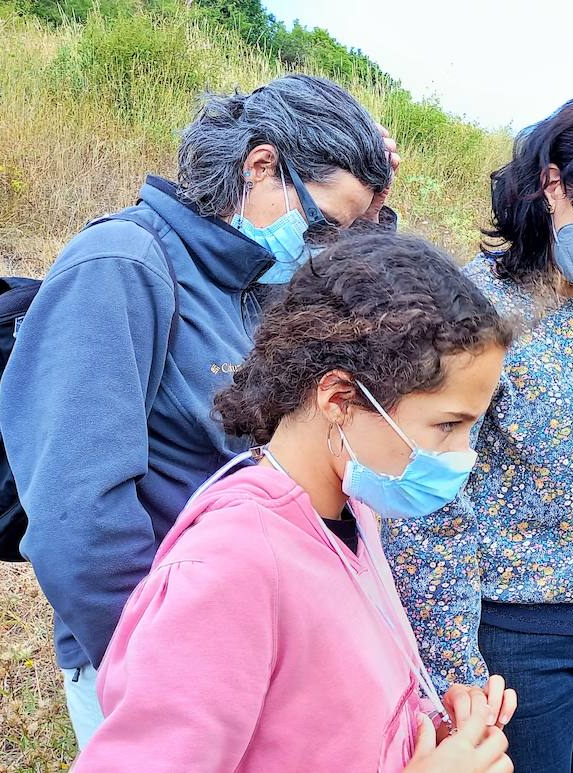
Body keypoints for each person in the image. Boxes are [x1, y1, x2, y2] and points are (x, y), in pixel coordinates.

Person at [0, 74, 397, 748]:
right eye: (325, 222)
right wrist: (162, 664)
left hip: (247, 645)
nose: (324, 245)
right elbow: (77, 517)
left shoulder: (259, 279)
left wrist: (377, 216)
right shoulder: (122, 265)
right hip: (167, 660)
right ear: (261, 166)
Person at [74, 232, 517, 772]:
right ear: (338, 398)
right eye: (447, 425)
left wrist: (431, 725)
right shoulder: (231, 567)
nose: (462, 455)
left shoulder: (349, 513)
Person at [381, 94, 573, 773]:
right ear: (553, 180)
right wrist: (455, 665)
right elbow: (427, 504)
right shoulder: (467, 311)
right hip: (519, 637)